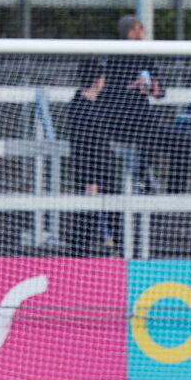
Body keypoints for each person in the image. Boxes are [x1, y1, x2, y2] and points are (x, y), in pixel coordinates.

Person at [99, 15, 167, 192]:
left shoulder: (146, 56)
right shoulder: (114, 55)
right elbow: (105, 89)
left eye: (140, 29)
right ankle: (120, 185)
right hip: (117, 116)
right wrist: (131, 86)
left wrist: (155, 88)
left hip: (141, 116)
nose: (138, 34)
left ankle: (143, 180)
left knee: (155, 135)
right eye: (133, 30)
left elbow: (160, 90)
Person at [65, 59, 120, 257]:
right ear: (97, 79)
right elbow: (80, 147)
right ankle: (78, 259)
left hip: (107, 169)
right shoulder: (80, 107)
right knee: (86, 219)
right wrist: (90, 180)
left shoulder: (100, 102)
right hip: (92, 173)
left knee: (115, 216)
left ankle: (116, 254)